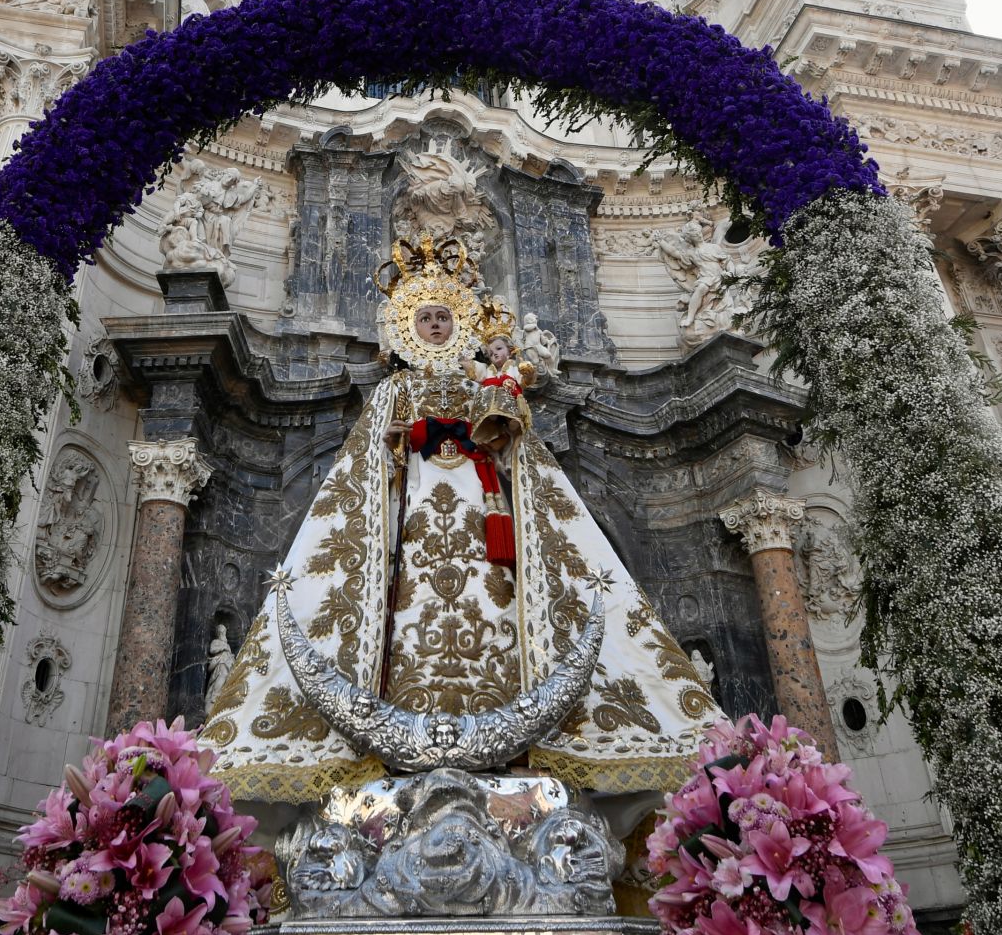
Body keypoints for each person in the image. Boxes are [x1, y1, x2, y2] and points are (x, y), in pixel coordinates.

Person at [197, 233, 718, 805]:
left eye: (444, 317)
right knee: (407, 608)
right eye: (425, 318)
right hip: (414, 520)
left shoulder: (479, 383)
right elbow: (367, 465)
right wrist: (394, 446)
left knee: (496, 601)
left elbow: (513, 448)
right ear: (408, 325)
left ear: (459, 323)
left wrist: (502, 425)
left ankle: (513, 741)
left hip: (482, 514)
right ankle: (394, 742)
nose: (436, 326)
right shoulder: (396, 388)